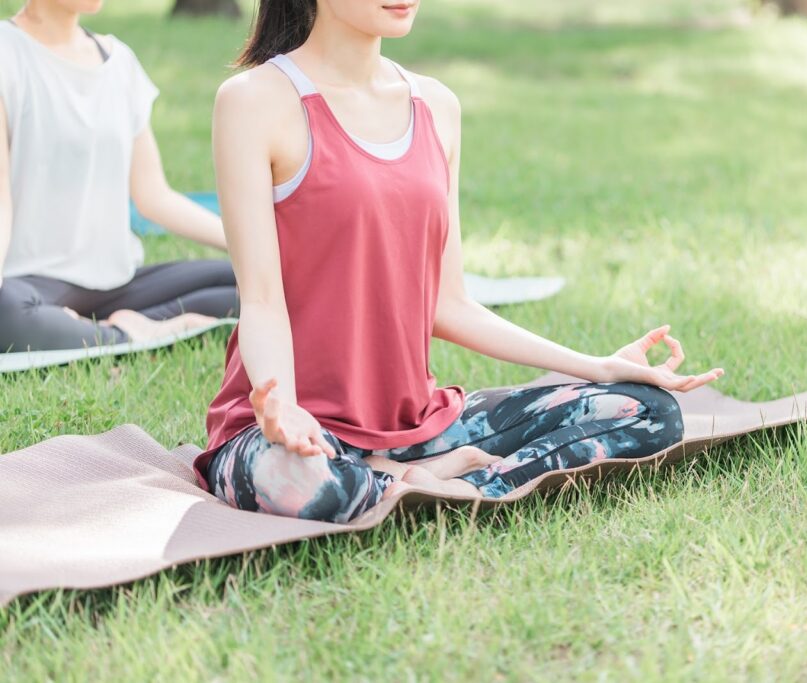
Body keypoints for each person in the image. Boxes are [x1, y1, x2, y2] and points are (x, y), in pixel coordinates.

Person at [194, 0, 725, 523]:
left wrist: (599, 367)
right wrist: (282, 405)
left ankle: (430, 483)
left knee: (648, 412)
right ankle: (417, 484)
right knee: (300, 478)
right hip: (285, 430)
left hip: (417, 427)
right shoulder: (253, 101)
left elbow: (450, 305)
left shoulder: (436, 105)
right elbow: (262, 300)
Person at [0, 0, 238, 354]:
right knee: (6, 313)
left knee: (257, 283)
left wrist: (253, 248)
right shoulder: (7, 54)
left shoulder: (119, 62)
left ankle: (119, 326)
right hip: (32, 286)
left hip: (118, 281)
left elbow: (154, 196)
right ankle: (136, 335)